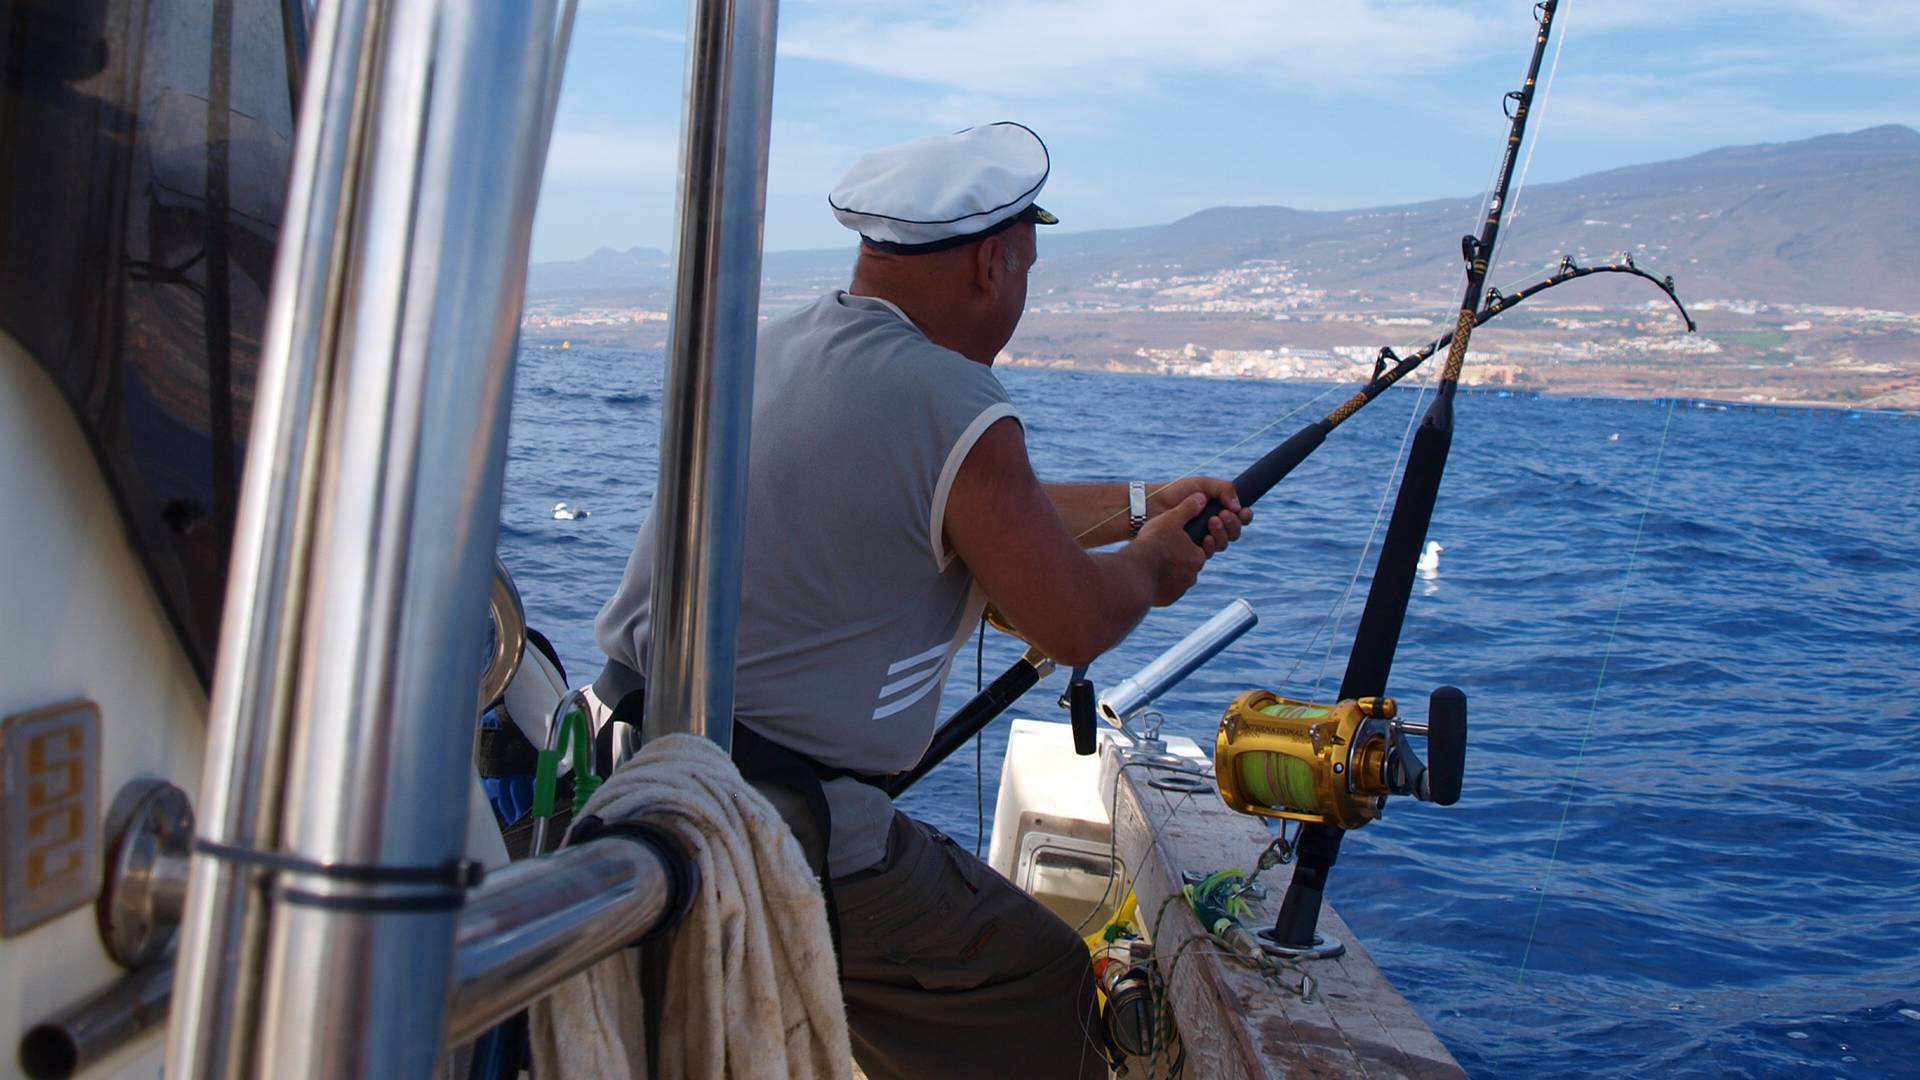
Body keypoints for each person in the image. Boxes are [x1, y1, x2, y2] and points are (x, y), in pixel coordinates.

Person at [592, 121, 1252, 1080]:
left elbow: (977, 508)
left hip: (635, 765)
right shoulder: (947, 394)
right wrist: (1151, 567)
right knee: (1043, 985)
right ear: (991, 263)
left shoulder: (787, 347)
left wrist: (1147, 505)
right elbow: (1072, 621)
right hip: (766, 827)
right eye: (1026, 269)